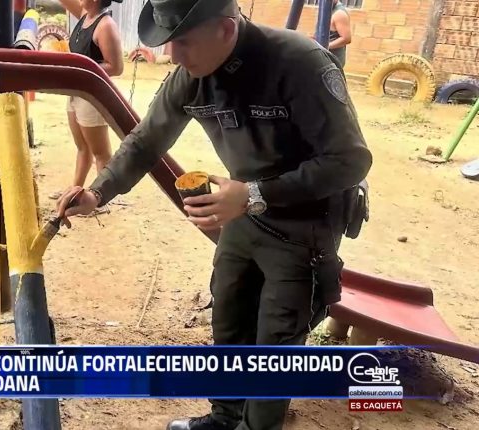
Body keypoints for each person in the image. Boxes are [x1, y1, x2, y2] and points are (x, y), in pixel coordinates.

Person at [55, 0, 372, 429]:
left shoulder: (300, 62)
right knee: (229, 320)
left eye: (182, 41)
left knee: (276, 345)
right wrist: (97, 192)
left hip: (305, 225)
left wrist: (254, 194)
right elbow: (146, 141)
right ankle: (224, 418)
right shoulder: (192, 74)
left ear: (225, 30)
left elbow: (350, 161)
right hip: (243, 213)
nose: (172, 55)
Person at [49, 0, 124, 215]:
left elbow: (116, 67)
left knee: (101, 152)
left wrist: (81, 70)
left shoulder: (105, 25)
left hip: (93, 95)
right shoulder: (85, 14)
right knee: (82, 147)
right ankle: (75, 192)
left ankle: (102, 199)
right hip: (76, 90)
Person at [328, 0, 351, 68]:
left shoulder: (339, 14)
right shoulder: (327, 9)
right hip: (326, 58)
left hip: (333, 62)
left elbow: (346, 39)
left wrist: (325, 47)